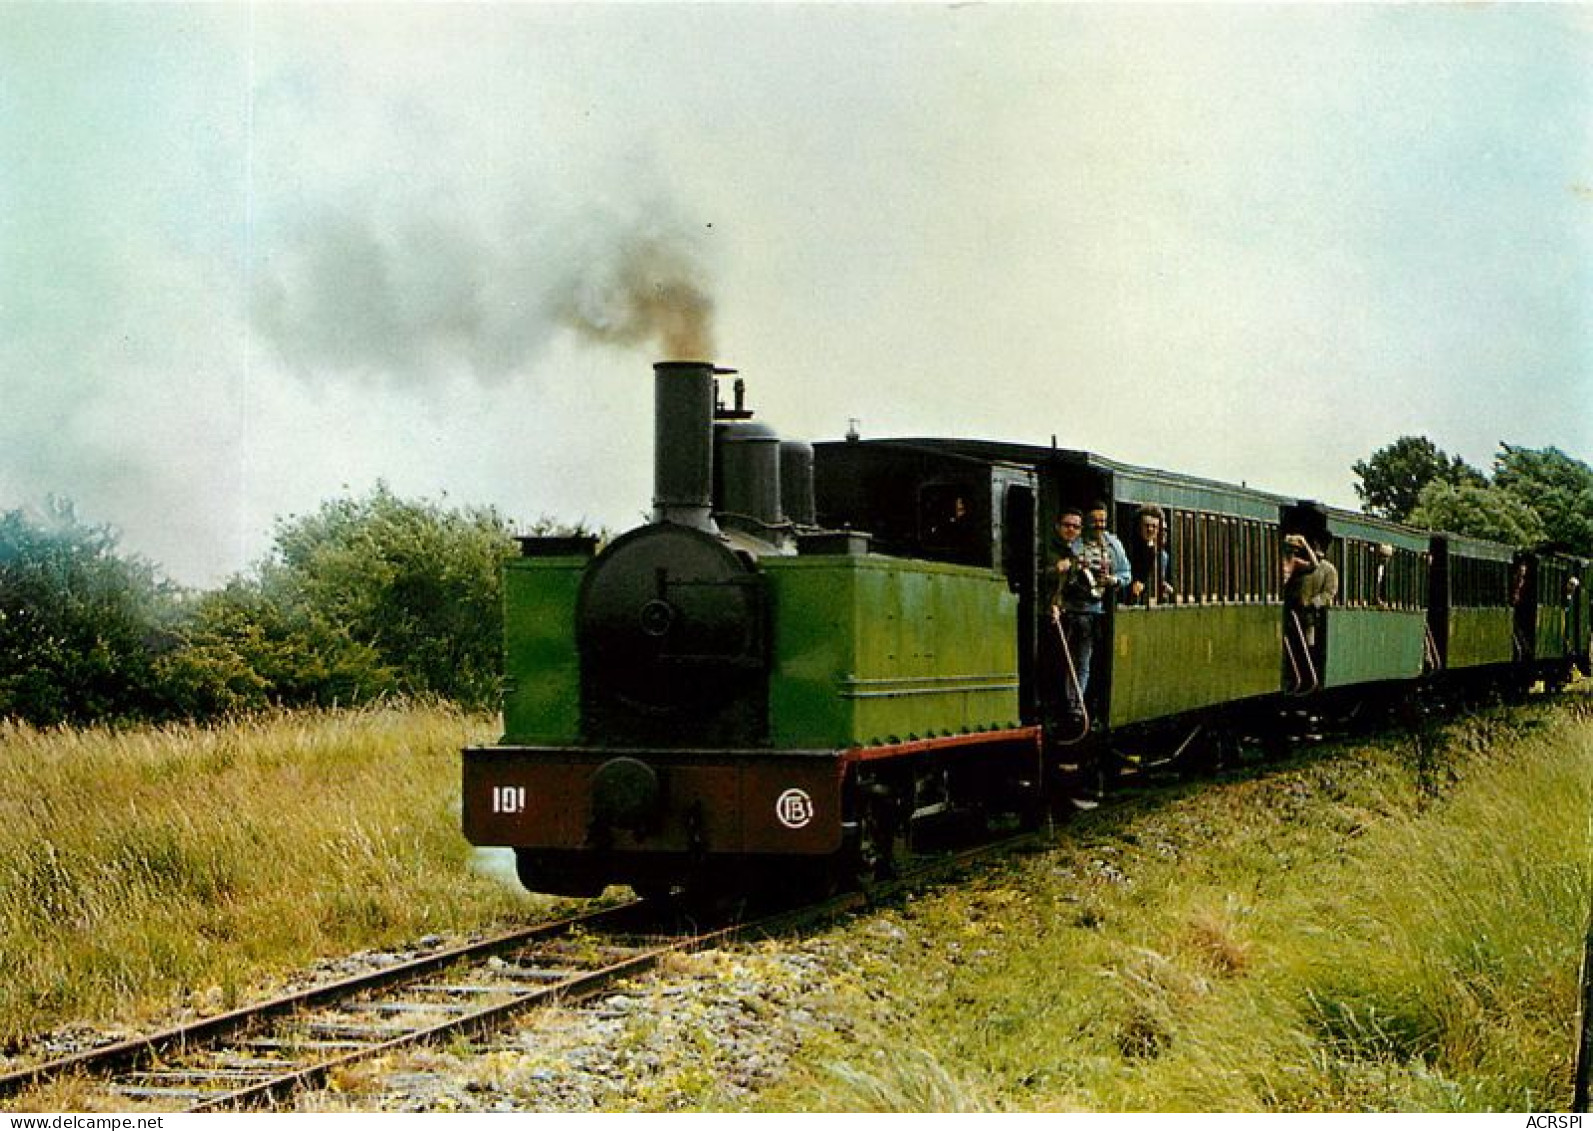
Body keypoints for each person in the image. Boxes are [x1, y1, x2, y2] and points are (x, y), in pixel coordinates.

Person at [1049, 502, 1131, 723]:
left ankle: (1076, 703)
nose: (1098, 526)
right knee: (1064, 660)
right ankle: (1067, 702)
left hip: (1094, 610)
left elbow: (1126, 574)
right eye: (1094, 521)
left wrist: (1112, 580)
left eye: (1102, 521)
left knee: (1084, 660)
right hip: (1068, 608)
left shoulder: (1114, 546)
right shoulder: (1074, 544)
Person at [1125, 504, 1174, 606]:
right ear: (1139, 527)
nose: (1150, 529)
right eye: (1146, 525)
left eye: (1154, 526)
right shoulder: (1129, 550)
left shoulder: (1163, 557)